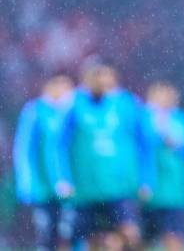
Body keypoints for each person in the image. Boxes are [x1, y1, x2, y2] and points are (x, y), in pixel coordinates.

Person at [56, 63, 146, 251]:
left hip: (118, 185)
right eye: (98, 76)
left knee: (128, 232)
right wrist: (63, 178)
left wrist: (144, 179)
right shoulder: (73, 104)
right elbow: (59, 145)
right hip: (85, 187)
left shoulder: (126, 103)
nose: (103, 81)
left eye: (106, 76)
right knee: (88, 237)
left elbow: (143, 142)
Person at [139, 82, 184, 251]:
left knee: (174, 234)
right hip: (148, 190)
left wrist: (178, 145)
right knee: (142, 238)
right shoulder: (143, 118)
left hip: (176, 190)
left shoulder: (183, 119)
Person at [13, 75, 76, 251]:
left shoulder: (67, 113)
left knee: (67, 232)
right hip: (42, 185)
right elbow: (24, 149)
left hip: (65, 185)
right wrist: (27, 181)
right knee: (46, 231)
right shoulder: (35, 111)